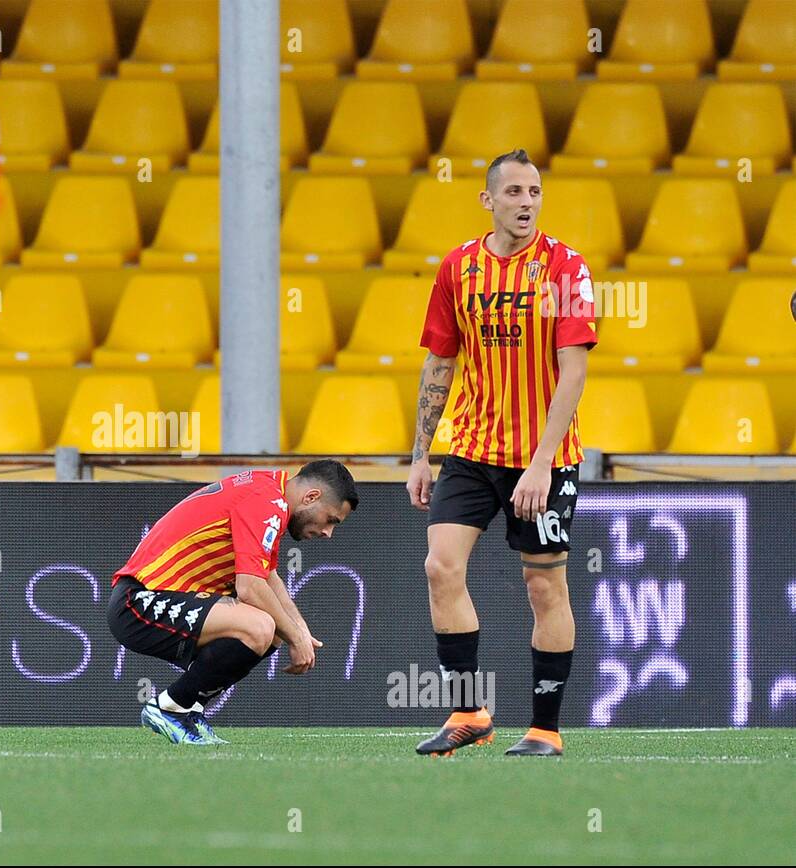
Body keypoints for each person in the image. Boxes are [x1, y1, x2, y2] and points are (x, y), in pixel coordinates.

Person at [405, 148, 597, 758]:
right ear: (488, 200)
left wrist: (541, 463)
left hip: (545, 458)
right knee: (440, 567)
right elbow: (440, 360)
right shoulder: (458, 268)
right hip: (471, 450)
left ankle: (545, 729)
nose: (526, 203)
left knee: (544, 587)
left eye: (534, 192)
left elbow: (573, 372)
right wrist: (419, 454)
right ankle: (469, 711)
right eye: (513, 192)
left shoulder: (565, 269)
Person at [108, 461, 358, 744]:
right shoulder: (267, 501)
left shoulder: (270, 491)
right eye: (331, 520)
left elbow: (268, 576)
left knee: (274, 628)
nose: (328, 533)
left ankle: (189, 707)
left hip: (159, 598)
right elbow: (250, 587)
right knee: (261, 625)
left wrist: (297, 627)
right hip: (138, 601)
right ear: (311, 497)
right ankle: (170, 707)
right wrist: (295, 639)